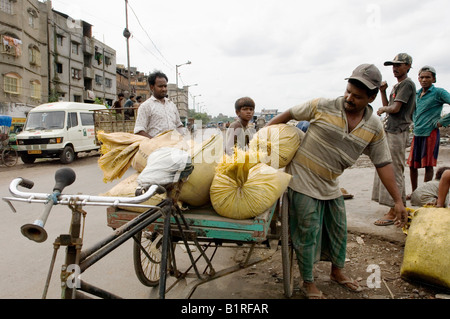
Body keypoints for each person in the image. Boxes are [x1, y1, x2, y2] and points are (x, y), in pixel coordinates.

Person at [267, 64, 408, 299]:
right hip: (301, 178)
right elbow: (290, 113)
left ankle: (337, 272)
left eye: (357, 96)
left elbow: (383, 163)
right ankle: (308, 281)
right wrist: (266, 134)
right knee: (307, 230)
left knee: (338, 230)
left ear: (372, 98)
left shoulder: (373, 127)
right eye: (348, 91)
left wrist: (397, 200)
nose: (349, 98)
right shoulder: (323, 105)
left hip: (330, 182)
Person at [372, 53, 416, 226]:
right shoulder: (397, 86)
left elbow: (395, 108)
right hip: (392, 129)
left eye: (399, 65)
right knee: (389, 167)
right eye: (393, 65)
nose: (395, 68)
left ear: (408, 66)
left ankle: (396, 209)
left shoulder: (407, 84)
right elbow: (391, 105)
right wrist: (383, 92)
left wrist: (384, 108)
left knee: (395, 169)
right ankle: (395, 206)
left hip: (398, 131)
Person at [407, 66, 450, 197]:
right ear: (418, 79)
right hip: (417, 133)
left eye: (427, 77)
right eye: (422, 77)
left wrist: (442, 122)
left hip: (430, 134)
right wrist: (414, 120)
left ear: (434, 79)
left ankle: (424, 192)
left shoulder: (439, 93)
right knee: (412, 166)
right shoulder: (416, 94)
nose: (424, 79)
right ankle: (414, 192)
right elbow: (412, 110)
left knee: (428, 166)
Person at [134, 71, 184, 139]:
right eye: (160, 86)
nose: (164, 89)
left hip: (174, 146)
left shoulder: (171, 105)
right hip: (156, 148)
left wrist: (182, 138)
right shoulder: (146, 106)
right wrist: (155, 142)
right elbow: (138, 131)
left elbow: (179, 125)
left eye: (165, 86)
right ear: (152, 87)